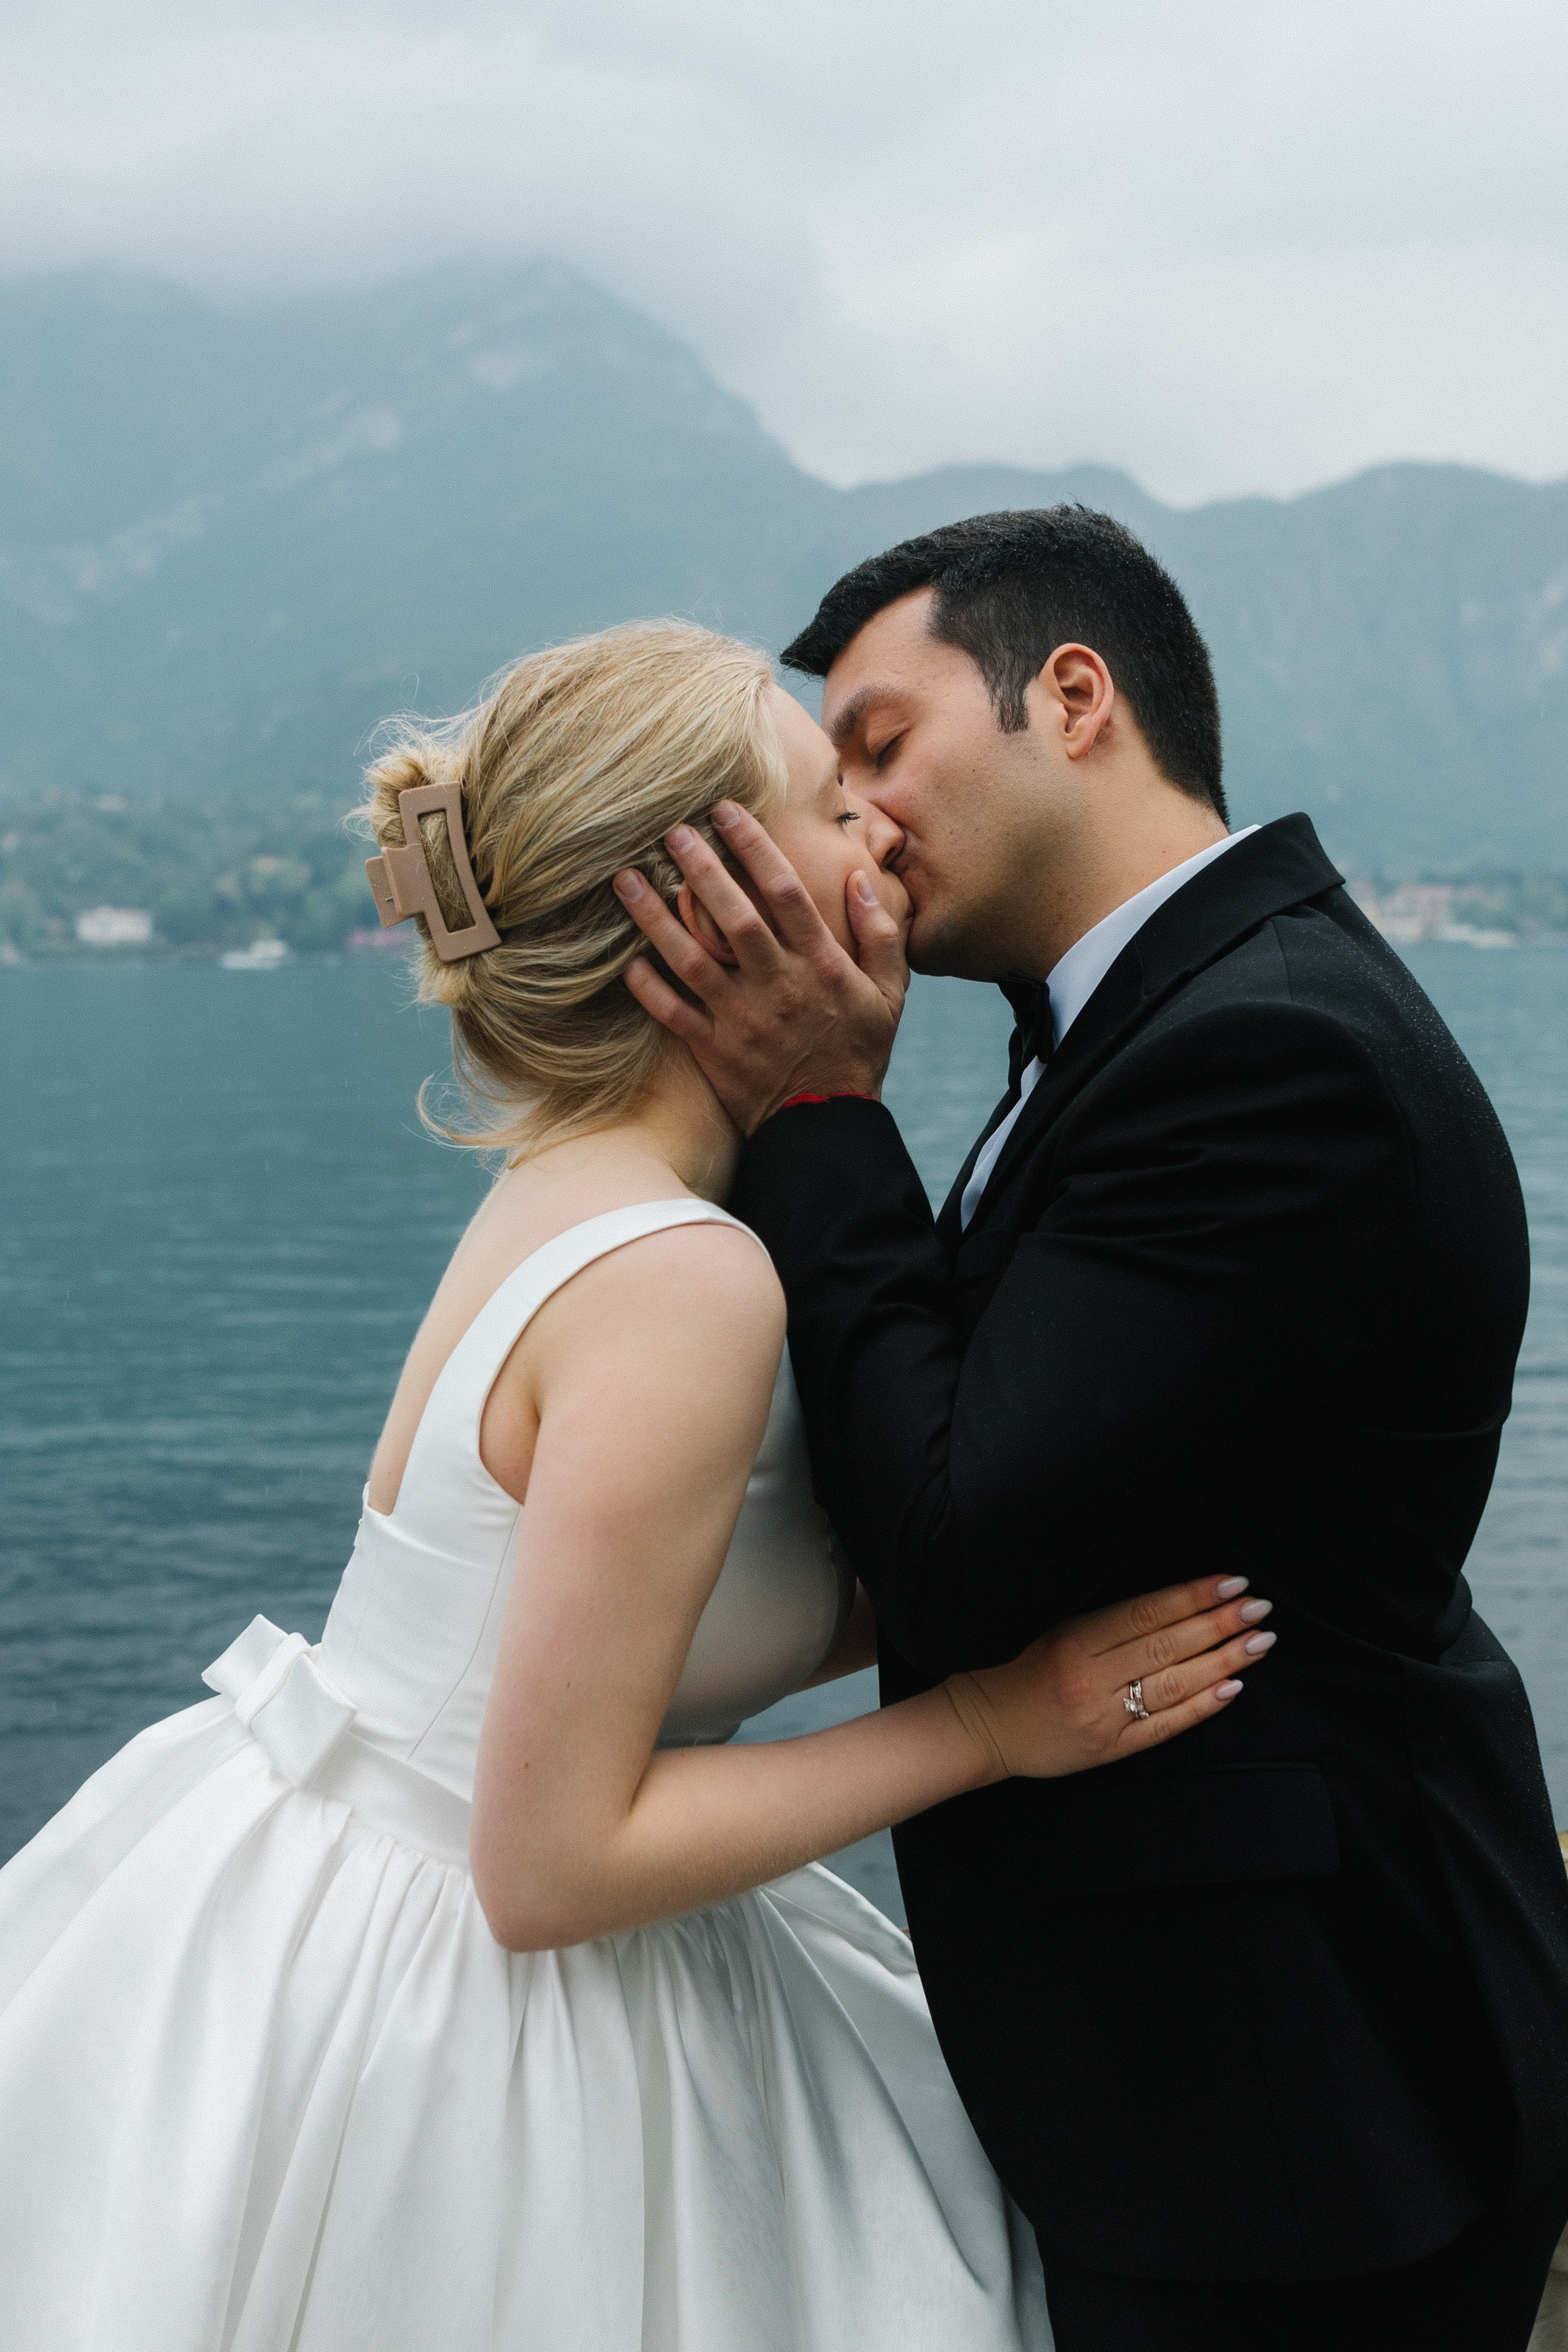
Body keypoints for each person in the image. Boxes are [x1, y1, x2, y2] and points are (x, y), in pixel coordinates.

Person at [0, 619, 1273, 2352]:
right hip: (478, 1989)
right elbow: (546, 1862)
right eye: (834, 804)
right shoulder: (683, 1280)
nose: (880, 834)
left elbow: (636, 1629)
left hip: (343, 1890)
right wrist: (991, 1722)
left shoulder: (572, 1179)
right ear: (701, 901)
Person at [616, 511, 1568, 2352]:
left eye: (881, 745)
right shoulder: (1165, 1016)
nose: (861, 823)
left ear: (1073, 696)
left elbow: (961, 1543)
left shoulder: (1270, 1052)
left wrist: (817, 1102)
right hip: (1233, 2061)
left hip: (1305, 2100)